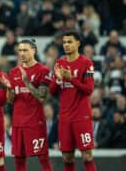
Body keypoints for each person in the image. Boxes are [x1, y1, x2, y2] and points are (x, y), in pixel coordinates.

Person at [49, 31, 97, 171]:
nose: (66, 45)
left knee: (87, 155)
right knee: (67, 157)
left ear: (78, 43)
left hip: (82, 117)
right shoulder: (60, 63)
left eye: (69, 42)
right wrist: (58, 79)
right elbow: (52, 91)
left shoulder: (87, 63)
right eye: (64, 42)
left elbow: (88, 90)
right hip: (64, 118)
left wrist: (71, 79)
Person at [3, 39, 53, 171]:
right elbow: (11, 100)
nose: (22, 53)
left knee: (43, 157)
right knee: (19, 159)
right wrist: (8, 88)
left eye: (25, 50)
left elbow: (41, 97)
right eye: (20, 50)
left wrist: (26, 81)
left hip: (35, 121)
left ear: (34, 51)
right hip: (18, 122)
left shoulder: (43, 70)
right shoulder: (14, 72)